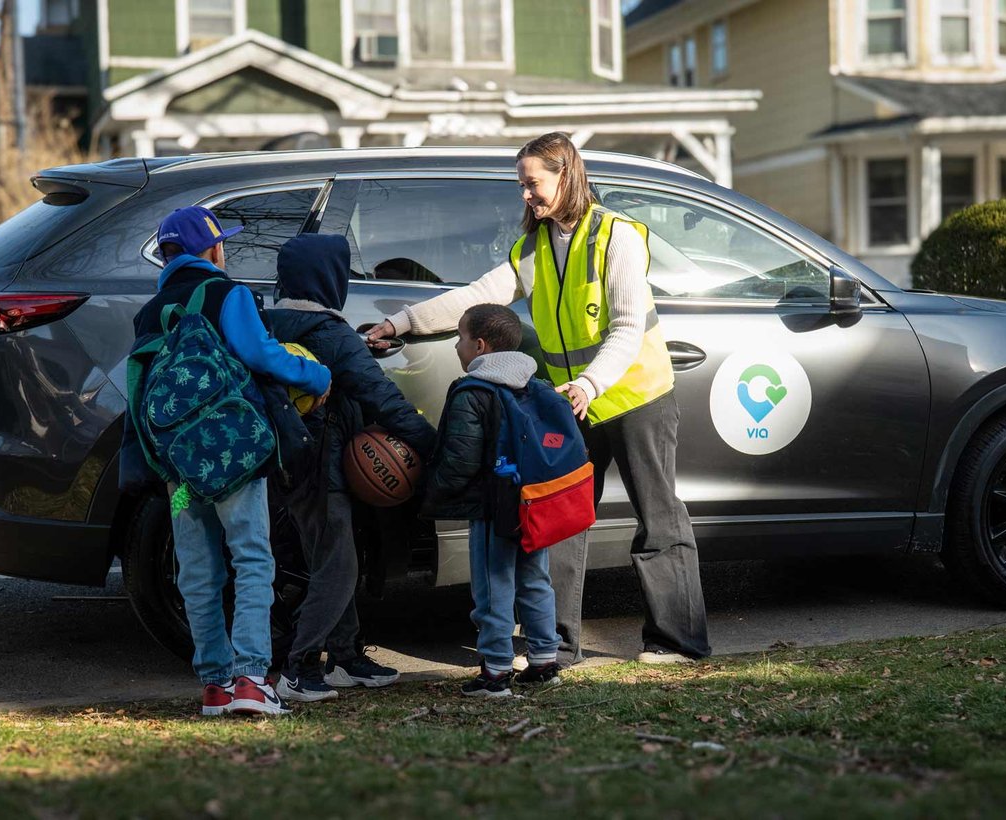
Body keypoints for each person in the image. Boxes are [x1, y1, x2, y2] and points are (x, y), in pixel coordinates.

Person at [367, 131, 711, 666]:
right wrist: (402, 322)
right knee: (562, 517)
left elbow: (625, 328)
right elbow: (477, 298)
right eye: (521, 185)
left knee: (659, 517)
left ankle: (678, 642)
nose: (526, 194)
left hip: (634, 394)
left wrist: (591, 383)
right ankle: (556, 645)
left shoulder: (616, 236)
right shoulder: (532, 247)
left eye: (533, 183)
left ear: (565, 175)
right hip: (572, 401)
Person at [121, 206, 332, 717]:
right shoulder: (226, 294)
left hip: (180, 470)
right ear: (212, 250)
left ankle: (214, 684)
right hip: (233, 456)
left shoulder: (151, 311)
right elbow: (260, 354)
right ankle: (252, 679)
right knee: (252, 556)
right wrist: (316, 376)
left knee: (197, 566)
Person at [262, 234, 437, 702]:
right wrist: (433, 446)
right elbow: (384, 400)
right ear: (330, 279)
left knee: (327, 559)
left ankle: (345, 656)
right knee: (338, 565)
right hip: (324, 466)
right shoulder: (331, 334)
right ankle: (299, 669)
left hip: (282, 462)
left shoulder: (266, 323)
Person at [421, 304, 564, 697]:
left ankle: (496, 671)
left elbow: (460, 460)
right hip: (532, 504)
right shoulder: (534, 386)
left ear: (480, 346)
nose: (456, 346)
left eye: (460, 337)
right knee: (536, 580)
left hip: (491, 508)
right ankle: (544, 661)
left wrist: (432, 489)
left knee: (492, 586)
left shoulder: (474, 392)